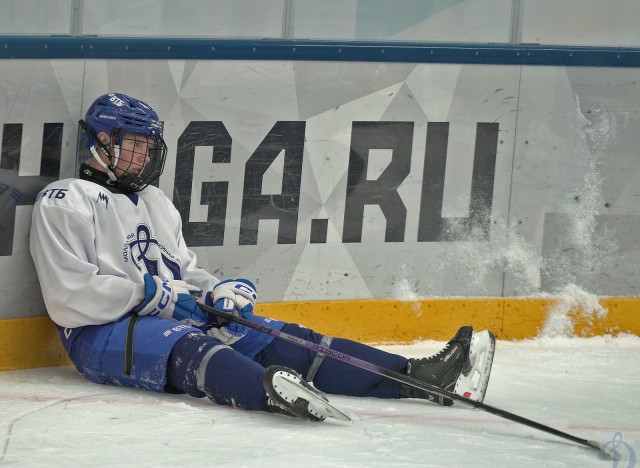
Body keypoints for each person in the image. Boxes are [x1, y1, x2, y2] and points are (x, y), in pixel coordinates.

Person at [30, 92, 496, 421]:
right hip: (101, 335)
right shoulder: (66, 199)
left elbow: (183, 269)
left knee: (285, 338)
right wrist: (156, 297)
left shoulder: (153, 201)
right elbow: (68, 297)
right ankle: (268, 391)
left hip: (165, 315)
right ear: (102, 143)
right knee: (192, 346)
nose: (147, 156)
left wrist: (217, 290)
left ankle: (421, 378)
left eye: (150, 147)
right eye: (135, 146)